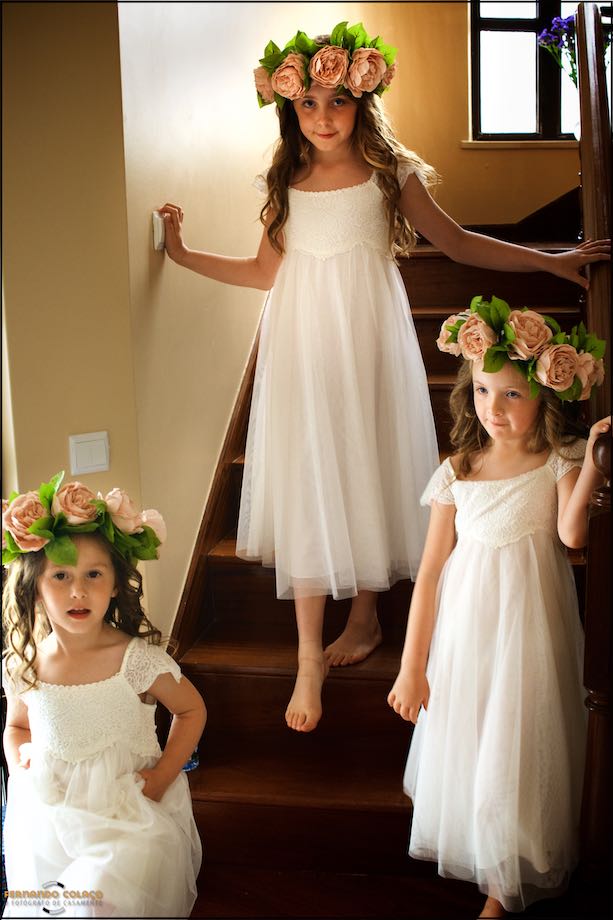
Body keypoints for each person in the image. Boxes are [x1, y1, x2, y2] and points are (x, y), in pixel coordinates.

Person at [159, 22, 610, 733]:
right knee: (311, 473)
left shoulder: (388, 173)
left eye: (336, 100)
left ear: (362, 99)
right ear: (289, 111)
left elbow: (456, 241)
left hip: (368, 333)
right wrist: (183, 257)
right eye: (307, 104)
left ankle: (365, 615)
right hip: (303, 340)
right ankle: (307, 654)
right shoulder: (283, 179)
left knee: (365, 461)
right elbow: (263, 272)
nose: (323, 116)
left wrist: (548, 262)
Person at [388, 297, 610, 918]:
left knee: (519, 735)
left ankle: (502, 890)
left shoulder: (554, 461)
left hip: (528, 626)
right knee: (474, 738)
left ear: (543, 396)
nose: (494, 409)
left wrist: (591, 460)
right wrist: (413, 667)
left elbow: (572, 536)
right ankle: (488, 860)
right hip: (466, 632)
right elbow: (429, 574)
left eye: (511, 395)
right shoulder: (459, 469)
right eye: (483, 391)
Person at [2, 473, 206, 918]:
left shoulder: (134, 659)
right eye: (60, 575)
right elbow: (17, 725)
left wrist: (162, 777)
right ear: (35, 589)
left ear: (115, 584)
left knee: (103, 893)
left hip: (128, 812)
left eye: (94, 574)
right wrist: (22, 763)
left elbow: (191, 711)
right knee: (56, 901)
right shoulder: (26, 663)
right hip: (55, 811)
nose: (78, 590)